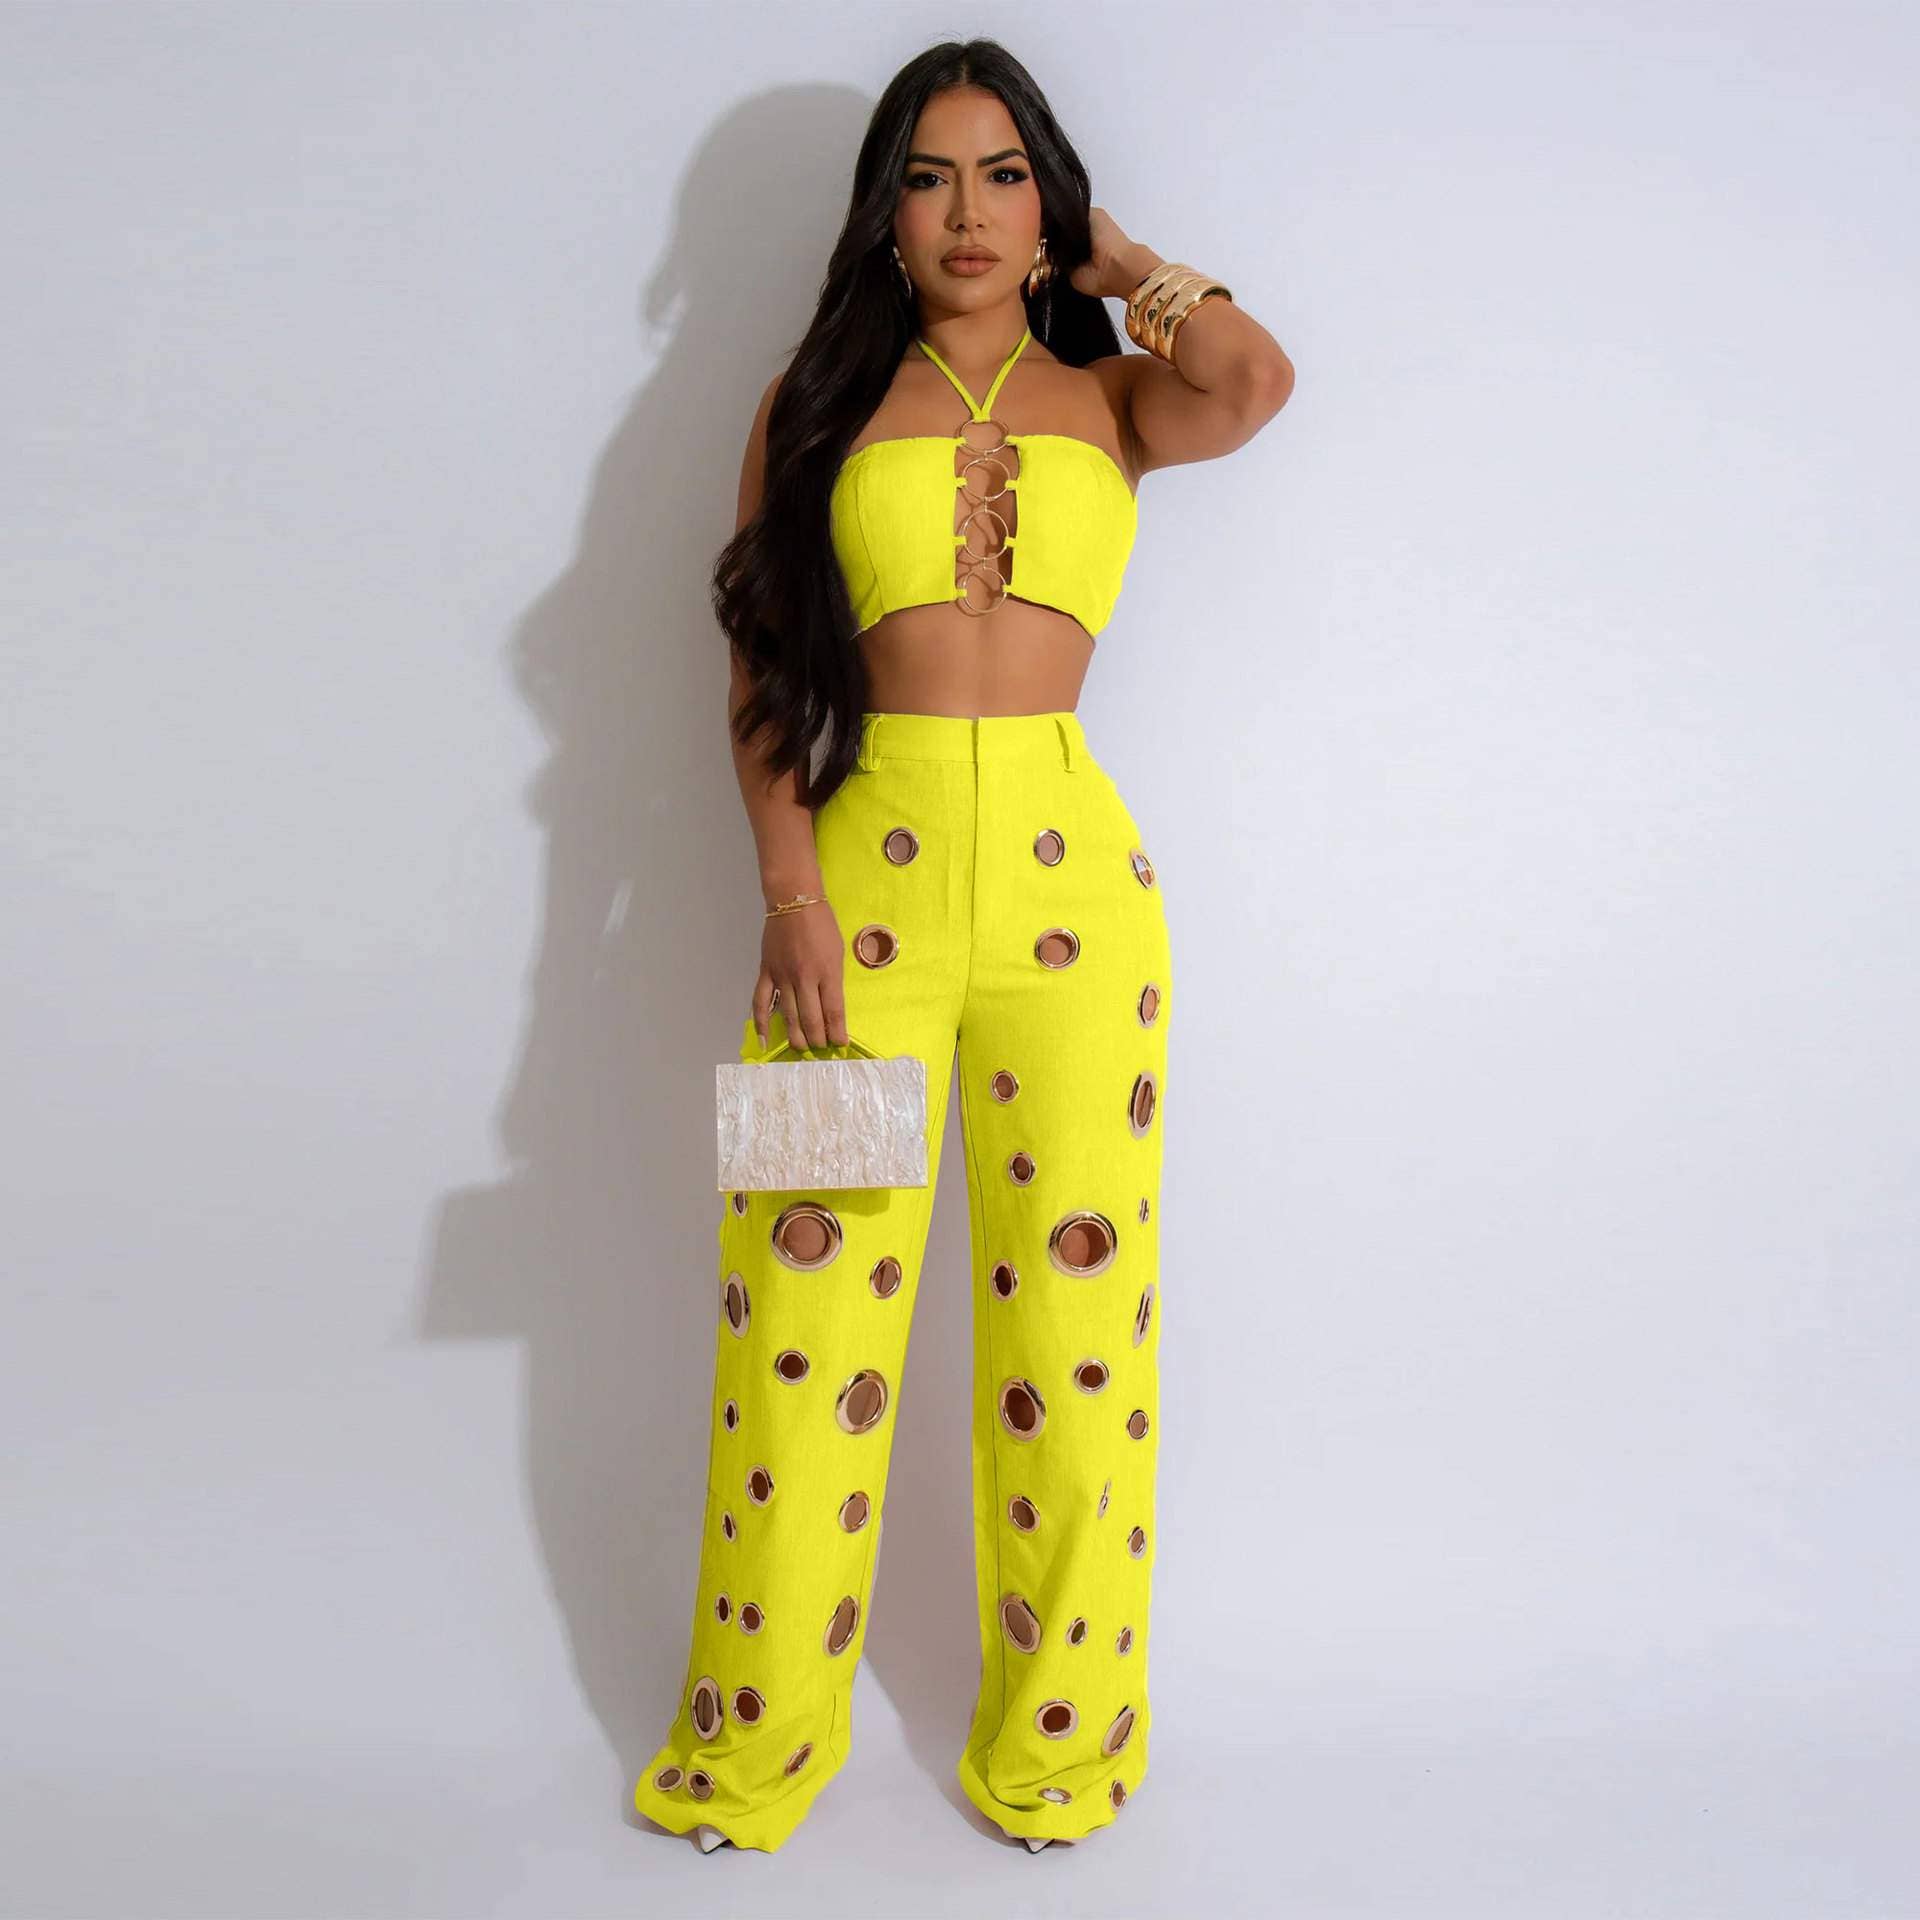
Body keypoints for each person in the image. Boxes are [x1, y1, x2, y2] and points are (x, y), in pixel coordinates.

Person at [634, 37, 1294, 1855]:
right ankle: (752, 1750)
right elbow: (765, 664)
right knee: (801, 1310)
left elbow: (1253, 378)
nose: (969, 212)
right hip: (857, 901)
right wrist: (789, 894)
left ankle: (1061, 1751)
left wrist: (1119, 257)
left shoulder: (1113, 398)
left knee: (1080, 1324)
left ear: (1049, 200)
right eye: (930, 177)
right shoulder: (818, 399)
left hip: (1079, 905)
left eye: (1007, 174)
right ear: (885, 210)